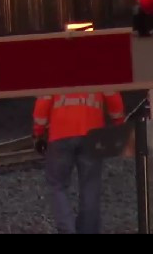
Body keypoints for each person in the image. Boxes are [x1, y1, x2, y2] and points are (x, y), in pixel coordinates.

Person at [32, 91, 126, 234]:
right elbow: (113, 97)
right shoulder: (101, 69)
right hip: (93, 134)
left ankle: (67, 230)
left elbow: (43, 102)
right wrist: (119, 122)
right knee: (90, 186)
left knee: (58, 185)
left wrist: (38, 132)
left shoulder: (53, 71)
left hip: (60, 134)